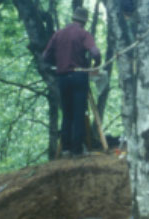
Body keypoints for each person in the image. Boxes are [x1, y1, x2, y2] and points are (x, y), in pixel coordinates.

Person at [42, 7, 102, 158]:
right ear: (85, 21)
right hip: (79, 76)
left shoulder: (58, 34)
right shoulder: (83, 34)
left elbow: (45, 57)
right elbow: (95, 52)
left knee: (67, 114)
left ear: (73, 18)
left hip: (62, 78)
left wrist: (57, 63)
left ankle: (65, 150)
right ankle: (77, 151)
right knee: (78, 114)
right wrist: (96, 65)